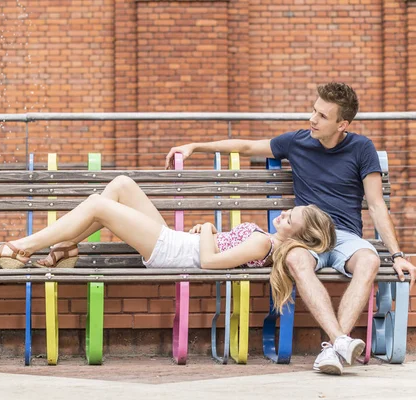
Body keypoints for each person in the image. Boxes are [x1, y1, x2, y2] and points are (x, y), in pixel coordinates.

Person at [165, 82, 416, 375]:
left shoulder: (362, 148)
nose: (313, 119)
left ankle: (334, 348)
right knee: (295, 259)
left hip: (345, 236)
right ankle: (339, 343)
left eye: (323, 116)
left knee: (370, 260)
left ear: (342, 124)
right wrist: (196, 146)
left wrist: (397, 254)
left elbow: (376, 205)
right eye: (314, 111)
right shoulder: (297, 142)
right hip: (304, 236)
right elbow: (247, 146)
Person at [0, 174, 335, 314]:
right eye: (290, 211)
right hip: (178, 243)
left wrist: (209, 229)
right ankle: (67, 250)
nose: (284, 215)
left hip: (173, 252)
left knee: (96, 204)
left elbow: (210, 263)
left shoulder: (263, 246)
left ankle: (20, 248)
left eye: (291, 219)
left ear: (298, 237)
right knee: (121, 184)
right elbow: (214, 250)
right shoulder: (264, 239)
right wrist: (207, 233)